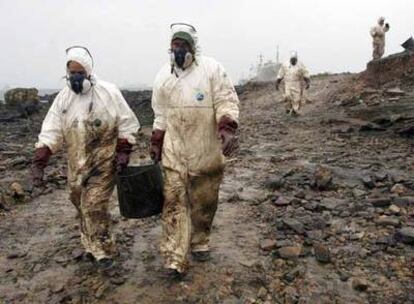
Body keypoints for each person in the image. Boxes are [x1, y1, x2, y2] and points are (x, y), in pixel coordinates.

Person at [31, 46, 140, 269]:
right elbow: (52, 129)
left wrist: (123, 150)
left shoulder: (108, 93)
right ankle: (90, 243)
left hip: (104, 161)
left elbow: (128, 122)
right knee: (79, 203)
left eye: (80, 72)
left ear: (89, 72)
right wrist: (41, 158)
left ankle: (104, 251)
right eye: (72, 72)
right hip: (76, 163)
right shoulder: (63, 99)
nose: (76, 77)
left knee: (94, 205)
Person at [150, 23, 240, 277]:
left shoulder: (211, 69)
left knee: (204, 202)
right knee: (173, 202)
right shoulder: (163, 77)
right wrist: (157, 141)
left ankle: (200, 240)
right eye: (174, 46)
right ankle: (174, 258)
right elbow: (160, 115)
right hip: (174, 151)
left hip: (205, 149)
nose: (178, 51)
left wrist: (227, 126)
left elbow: (226, 99)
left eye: (183, 46)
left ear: (193, 48)